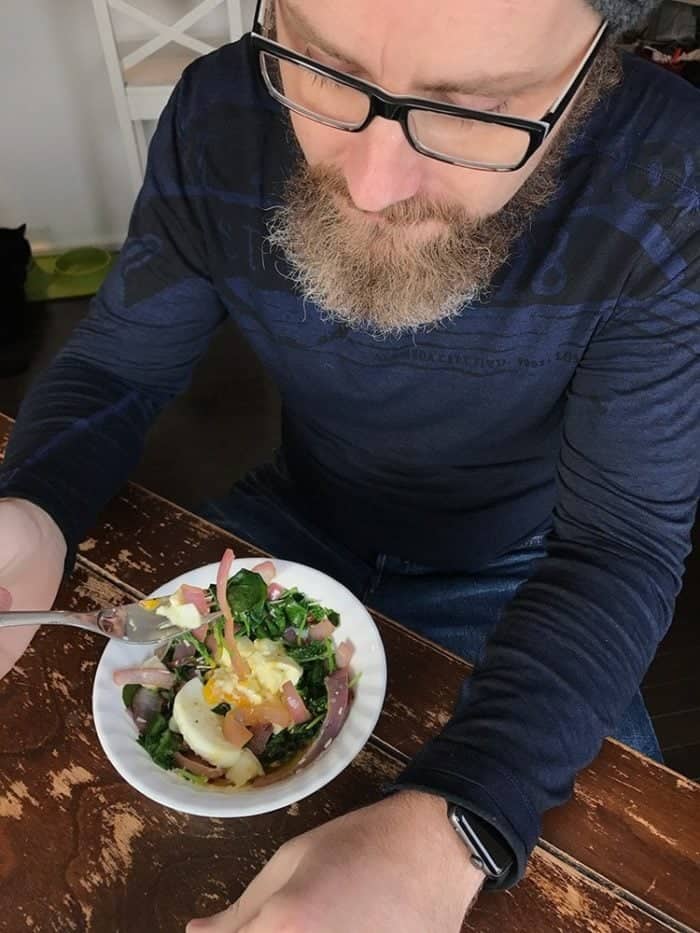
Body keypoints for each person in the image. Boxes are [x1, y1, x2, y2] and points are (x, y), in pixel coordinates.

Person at [1, 0, 698, 928]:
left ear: (596, 64)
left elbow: (622, 539)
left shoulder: (670, 176)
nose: (372, 185)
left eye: (474, 110)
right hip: (291, 523)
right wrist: (33, 511)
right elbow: (115, 365)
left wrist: (458, 829)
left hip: (539, 572)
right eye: (324, 68)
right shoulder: (220, 108)